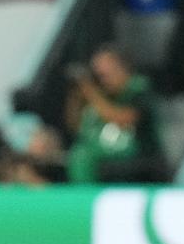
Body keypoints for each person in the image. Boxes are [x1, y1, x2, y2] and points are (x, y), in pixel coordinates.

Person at [65, 46, 167, 183]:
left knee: (83, 157)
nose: (102, 80)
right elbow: (75, 127)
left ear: (121, 67)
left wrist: (90, 92)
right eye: (98, 76)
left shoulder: (138, 88)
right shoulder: (102, 96)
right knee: (78, 154)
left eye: (105, 74)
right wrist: (76, 96)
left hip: (140, 158)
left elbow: (124, 119)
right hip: (106, 157)